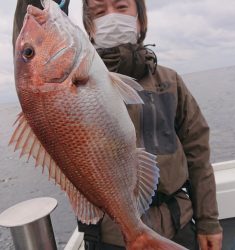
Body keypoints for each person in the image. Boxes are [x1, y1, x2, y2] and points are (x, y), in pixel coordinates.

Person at [13, 0, 223, 249]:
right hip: (112, 238)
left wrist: (208, 222)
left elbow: (197, 154)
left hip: (179, 225)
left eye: (121, 7)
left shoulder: (170, 82)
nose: (111, 17)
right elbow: (28, 46)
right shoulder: (70, 77)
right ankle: (135, 233)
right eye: (99, 12)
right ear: (89, 28)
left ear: (141, 20)